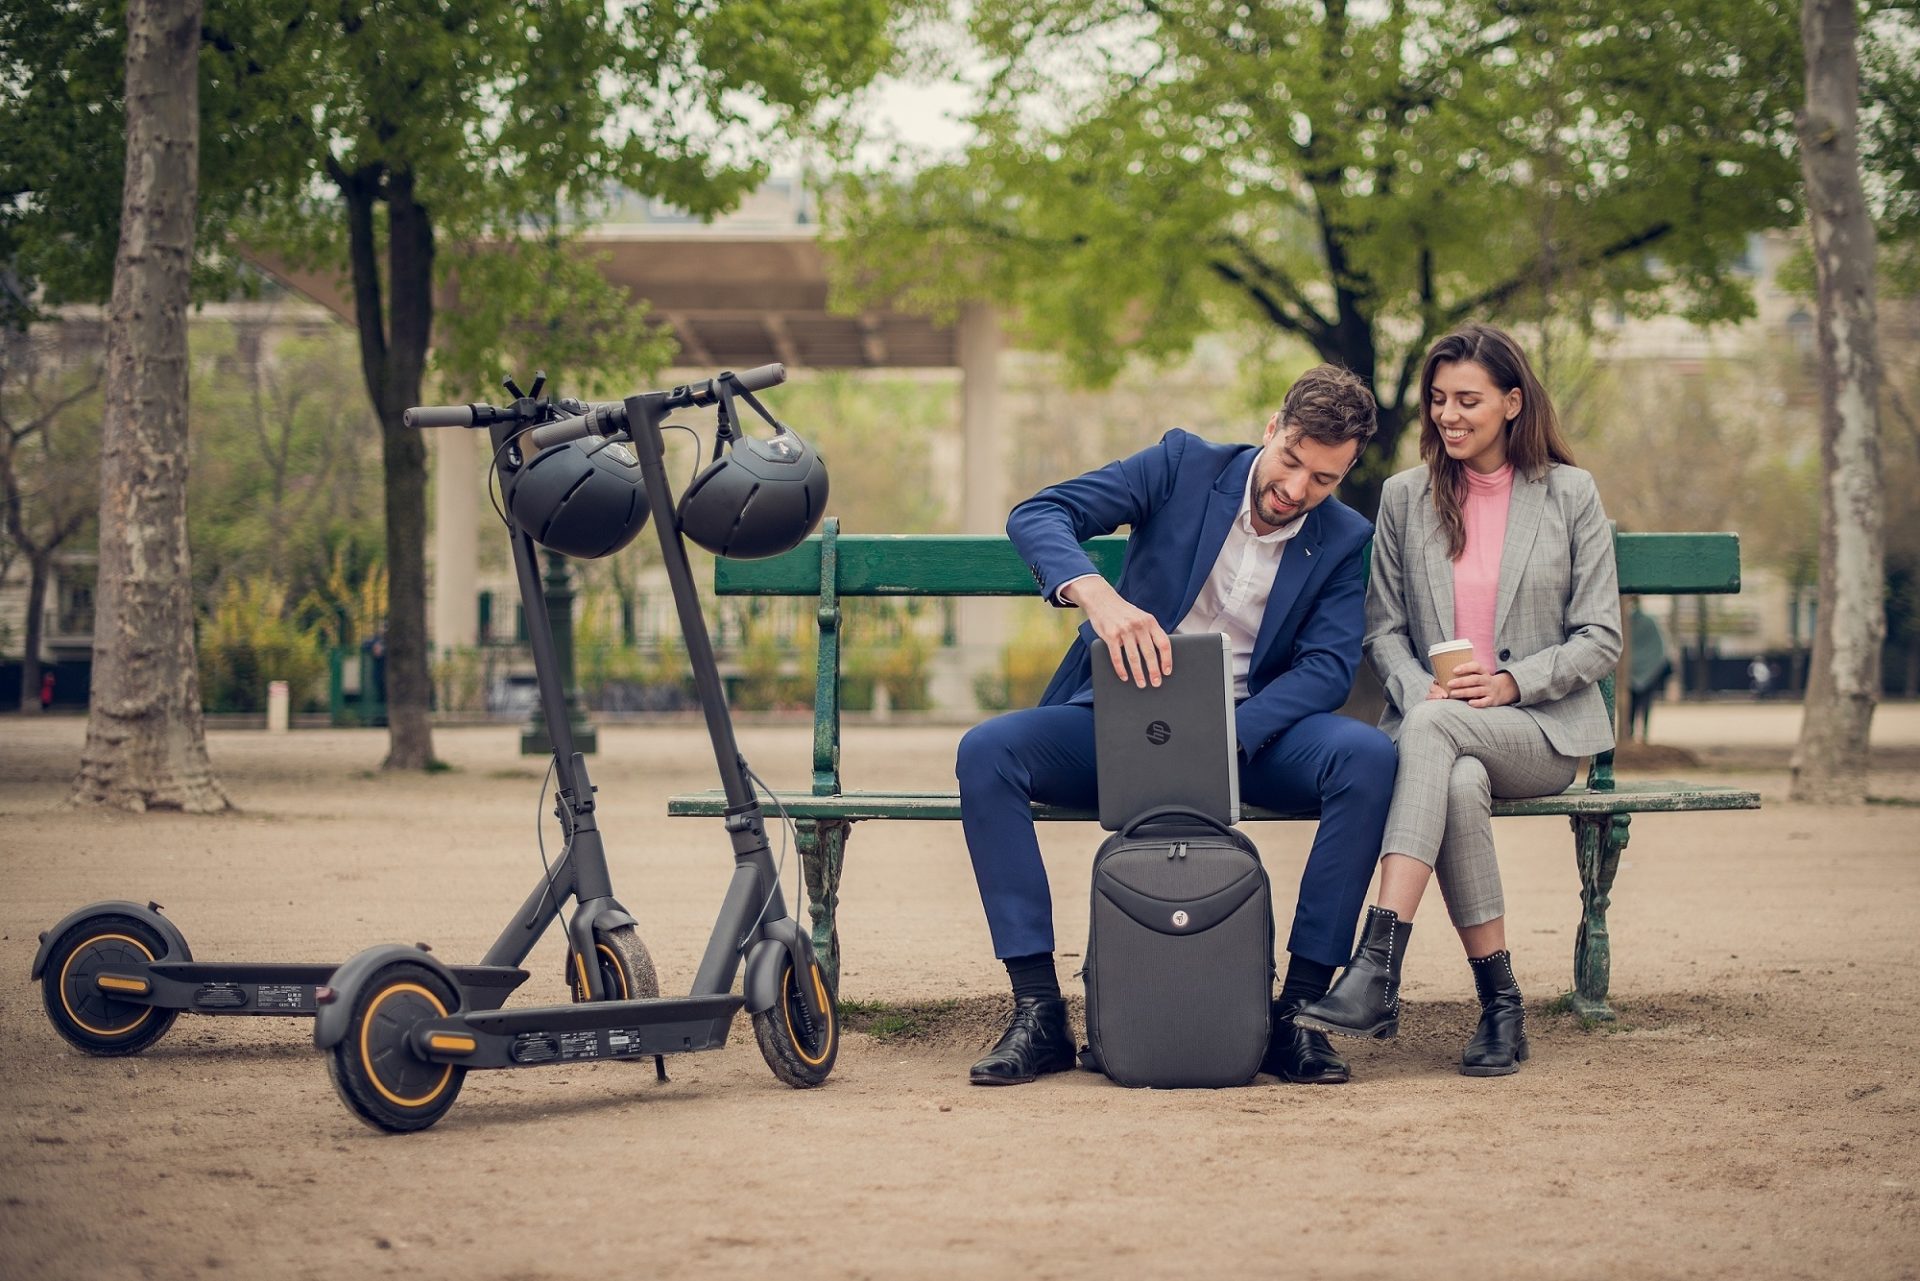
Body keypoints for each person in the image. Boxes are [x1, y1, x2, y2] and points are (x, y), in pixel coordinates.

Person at [956, 364, 1397, 1087]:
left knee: (1367, 757)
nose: (1296, 490)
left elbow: (1324, 669)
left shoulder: (1344, 537)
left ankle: (1300, 1016)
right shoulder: (1183, 464)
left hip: (1252, 738)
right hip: (1123, 725)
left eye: (1322, 479)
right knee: (986, 753)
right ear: (1271, 429)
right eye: (1291, 461)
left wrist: (1230, 733)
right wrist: (1097, 596)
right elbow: (1036, 514)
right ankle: (1037, 1010)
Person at [1295, 323, 1621, 1077]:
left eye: (1468, 399)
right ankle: (1501, 1006)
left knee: (1437, 733)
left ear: (1513, 401)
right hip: (1441, 731)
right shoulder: (1406, 496)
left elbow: (1601, 638)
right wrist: (1423, 691)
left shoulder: (1570, 494)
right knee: (1455, 773)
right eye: (1438, 399)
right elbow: (1384, 630)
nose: (1448, 414)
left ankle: (1377, 964)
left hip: (1538, 732)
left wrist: (1511, 682)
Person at [1628, 603, 1671, 743]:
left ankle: (1634, 733)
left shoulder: (1629, 623)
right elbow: (1659, 648)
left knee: (1634, 705)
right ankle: (1639, 734)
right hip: (1645, 672)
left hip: (1636, 672)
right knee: (1642, 705)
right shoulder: (1636, 622)